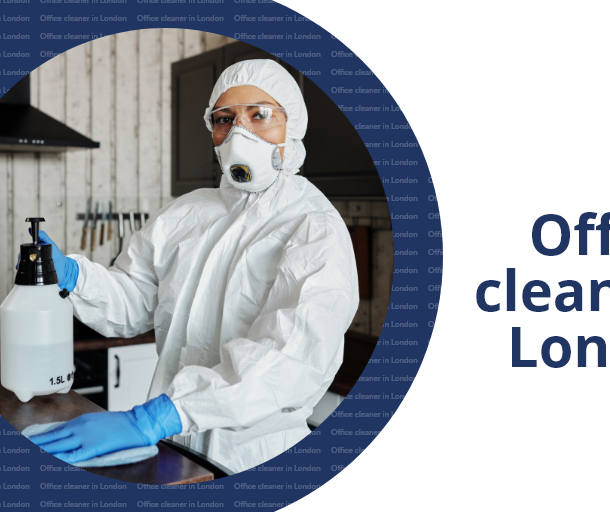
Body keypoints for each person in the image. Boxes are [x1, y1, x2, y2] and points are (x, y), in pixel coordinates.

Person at [27, 59, 360, 473]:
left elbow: (288, 360)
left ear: (291, 126)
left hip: (253, 457)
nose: (240, 133)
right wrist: (75, 277)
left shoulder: (313, 225)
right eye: (225, 119)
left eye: (260, 115)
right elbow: (135, 302)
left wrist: (153, 417)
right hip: (173, 448)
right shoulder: (186, 214)